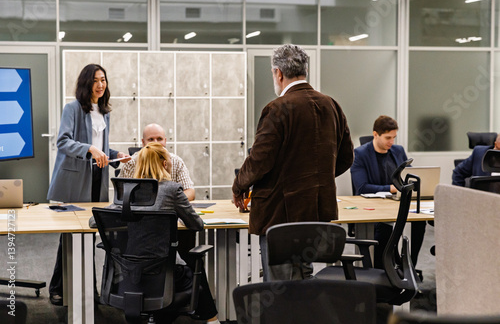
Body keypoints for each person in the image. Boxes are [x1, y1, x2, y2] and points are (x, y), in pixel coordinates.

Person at [232, 44, 354, 281]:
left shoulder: (277, 108)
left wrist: (239, 185)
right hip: (316, 212)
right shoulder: (331, 105)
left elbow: (259, 160)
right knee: (303, 275)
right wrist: (319, 179)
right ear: (304, 70)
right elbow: (347, 156)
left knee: (280, 283)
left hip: (280, 214)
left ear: (278, 73)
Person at [105, 142, 219, 323]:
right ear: (165, 164)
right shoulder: (172, 189)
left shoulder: (127, 191)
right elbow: (196, 225)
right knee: (191, 269)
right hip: (165, 269)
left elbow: (95, 220)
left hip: (130, 271)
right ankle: (210, 319)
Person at [46, 64, 130, 305]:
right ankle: (59, 287)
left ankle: (88, 289)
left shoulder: (104, 112)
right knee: (70, 235)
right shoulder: (72, 108)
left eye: (103, 80)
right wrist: (90, 149)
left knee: (90, 232)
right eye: (95, 80)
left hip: (96, 178)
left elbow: (101, 148)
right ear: (86, 83)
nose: (101, 84)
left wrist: (116, 154)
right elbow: (63, 141)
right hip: (74, 179)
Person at [350, 115, 426, 273]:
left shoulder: (397, 151)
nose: (391, 142)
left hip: (396, 203)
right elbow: (362, 187)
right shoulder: (360, 154)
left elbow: (407, 176)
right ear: (375, 134)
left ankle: (409, 267)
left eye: (394, 138)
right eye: (387, 138)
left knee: (420, 222)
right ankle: (381, 271)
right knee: (384, 228)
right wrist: (392, 188)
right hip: (374, 206)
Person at [118, 123, 195, 201]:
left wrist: (167, 202)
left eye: (159, 139)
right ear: (143, 142)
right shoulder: (131, 163)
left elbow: (190, 191)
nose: (155, 143)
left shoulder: (176, 161)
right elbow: (120, 194)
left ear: (165, 141)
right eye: (151, 139)